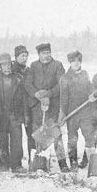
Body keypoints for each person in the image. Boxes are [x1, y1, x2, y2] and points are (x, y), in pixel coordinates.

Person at [25, 43, 70, 173]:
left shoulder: (58, 65)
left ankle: (63, 163)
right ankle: (39, 163)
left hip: (53, 107)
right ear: (39, 55)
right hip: (37, 108)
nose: (47, 55)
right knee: (37, 135)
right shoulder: (33, 66)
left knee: (56, 135)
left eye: (48, 53)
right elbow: (28, 84)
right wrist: (36, 94)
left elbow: (61, 84)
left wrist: (49, 94)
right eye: (44, 53)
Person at [59, 50, 97, 172]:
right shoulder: (65, 78)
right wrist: (63, 113)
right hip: (72, 113)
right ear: (70, 63)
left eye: (78, 61)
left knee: (89, 137)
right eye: (73, 61)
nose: (76, 63)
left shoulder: (85, 74)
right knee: (72, 138)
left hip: (85, 111)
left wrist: (94, 93)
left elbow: (90, 88)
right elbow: (63, 98)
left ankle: (93, 164)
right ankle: (73, 162)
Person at [0, 53, 27, 173]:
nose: (7, 67)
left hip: (15, 116)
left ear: (11, 64)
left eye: (8, 64)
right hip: (1, 116)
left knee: (17, 141)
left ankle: (17, 165)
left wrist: (25, 115)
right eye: (4, 65)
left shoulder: (19, 79)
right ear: (0, 66)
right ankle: (4, 165)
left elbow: (24, 99)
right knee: (2, 141)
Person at [11, 45, 35, 163]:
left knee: (31, 135)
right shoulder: (11, 70)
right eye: (22, 56)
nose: (25, 58)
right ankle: (16, 163)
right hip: (16, 108)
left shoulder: (29, 70)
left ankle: (33, 161)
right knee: (16, 138)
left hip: (28, 107)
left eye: (26, 56)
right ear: (16, 57)